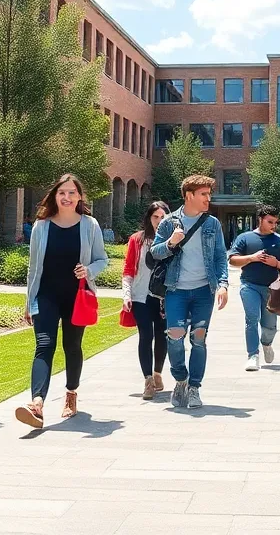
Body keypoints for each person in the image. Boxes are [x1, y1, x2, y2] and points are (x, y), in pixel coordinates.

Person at [15, 174, 108, 427]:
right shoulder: (41, 226)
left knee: (72, 346)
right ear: (55, 196)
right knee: (44, 345)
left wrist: (88, 270)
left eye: (71, 193)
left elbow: (102, 259)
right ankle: (37, 404)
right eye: (61, 193)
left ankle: (71, 393)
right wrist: (29, 301)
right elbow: (34, 268)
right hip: (46, 295)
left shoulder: (90, 225)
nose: (66, 197)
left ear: (79, 197)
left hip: (77, 297)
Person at [149, 175, 229, 409]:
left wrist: (223, 284)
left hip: (204, 290)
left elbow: (219, 257)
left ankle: (194, 387)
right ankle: (180, 379)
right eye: (203, 194)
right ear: (189, 195)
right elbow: (155, 252)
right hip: (176, 290)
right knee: (175, 337)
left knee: (199, 339)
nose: (208, 199)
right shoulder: (169, 222)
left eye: (208, 194)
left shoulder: (212, 223)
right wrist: (172, 242)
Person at [229, 204, 280, 371]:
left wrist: (276, 263)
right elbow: (232, 260)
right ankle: (252, 355)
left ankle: (266, 343)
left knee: (270, 325)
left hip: (272, 288)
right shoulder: (244, 238)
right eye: (270, 222)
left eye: (275, 222)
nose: (273, 225)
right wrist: (252, 258)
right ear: (260, 219)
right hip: (249, 285)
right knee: (251, 319)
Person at [123, 201, 171, 398]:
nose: (159, 221)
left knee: (162, 335)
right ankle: (148, 380)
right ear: (149, 218)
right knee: (145, 335)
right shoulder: (138, 240)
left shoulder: (174, 240)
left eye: (163, 218)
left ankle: (158, 372)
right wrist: (126, 294)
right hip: (140, 295)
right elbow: (128, 269)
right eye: (155, 217)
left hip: (163, 297)